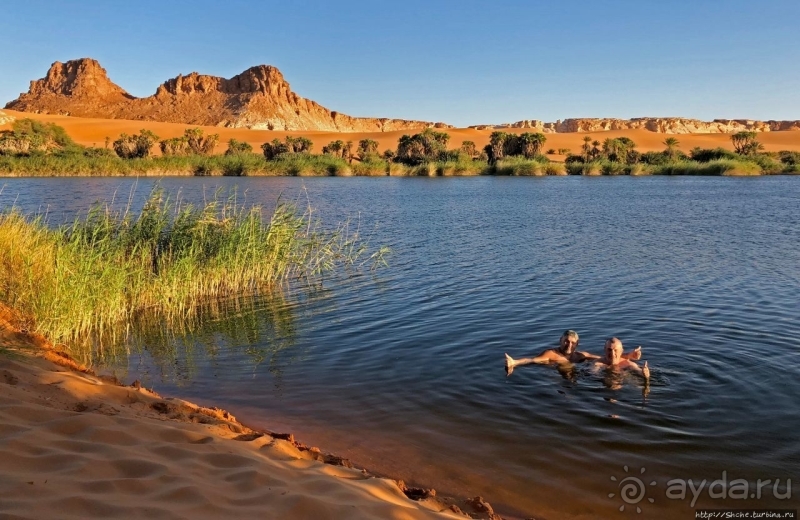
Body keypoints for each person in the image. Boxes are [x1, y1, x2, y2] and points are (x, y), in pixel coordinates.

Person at [504, 330, 641, 376]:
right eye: (566, 341)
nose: (569, 344)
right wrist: (515, 362)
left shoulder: (581, 355)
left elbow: (607, 357)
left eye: (572, 343)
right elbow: (532, 360)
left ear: (577, 344)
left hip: (576, 376)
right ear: (561, 340)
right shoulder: (552, 354)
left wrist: (628, 356)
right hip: (558, 377)